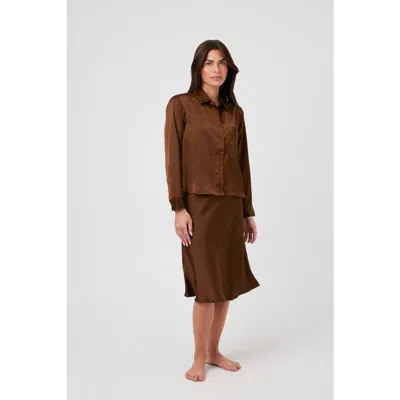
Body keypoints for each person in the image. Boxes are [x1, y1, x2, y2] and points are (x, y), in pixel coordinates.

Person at [164, 39, 260, 382]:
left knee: (224, 284)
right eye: (209, 63)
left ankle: (214, 351)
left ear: (228, 69)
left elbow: (242, 163)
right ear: (198, 68)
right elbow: (172, 159)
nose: (216, 69)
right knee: (206, 286)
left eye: (221, 63)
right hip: (198, 207)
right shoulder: (180, 105)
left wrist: (247, 211)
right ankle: (198, 357)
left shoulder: (236, 113)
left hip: (231, 206)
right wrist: (179, 207)